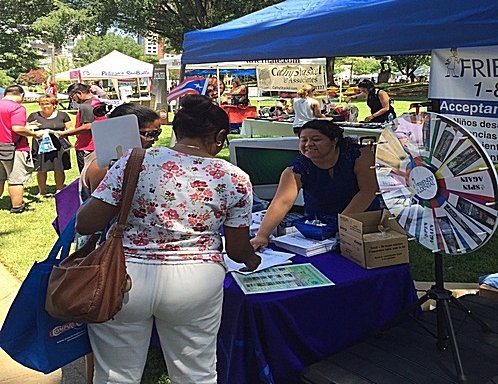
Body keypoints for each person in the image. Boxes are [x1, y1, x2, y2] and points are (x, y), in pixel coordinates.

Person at [75, 94, 261, 384]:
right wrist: (252, 258)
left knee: (116, 375)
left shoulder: (134, 161)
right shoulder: (234, 177)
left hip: (124, 278)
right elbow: (237, 250)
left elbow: (86, 223)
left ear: (177, 130)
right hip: (196, 282)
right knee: (196, 373)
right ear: (220, 136)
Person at [251, 119, 380, 251]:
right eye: (303, 140)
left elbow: (368, 190)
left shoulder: (360, 154)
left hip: (363, 220)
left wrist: (342, 224)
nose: (308, 144)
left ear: (334, 140)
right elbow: (281, 203)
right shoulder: (296, 169)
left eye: (316, 139)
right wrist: (262, 235)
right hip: (320, 228)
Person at [0, 85, 42, 213]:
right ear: (22, 95)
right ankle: (17, 207)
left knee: (0, 177)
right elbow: (17, 128)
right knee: (15, 179)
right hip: (14, 148)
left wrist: (26, 125)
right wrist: (34, 134)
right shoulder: (17, 108)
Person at [27, 95, 72, 196]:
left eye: (47, 103)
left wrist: (57, 132)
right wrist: (31, 128)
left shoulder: (63, 115)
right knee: (41, 168)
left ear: (54, 104)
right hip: (40, 145)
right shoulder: (34, 116)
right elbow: (26, 129)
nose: (44, 106)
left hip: (58, 145)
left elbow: (70, 129)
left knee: (59, 167)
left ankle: (60, 189)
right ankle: (41, 191)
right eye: (42, 104)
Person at [58, 83, 106, 172]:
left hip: (86, 147)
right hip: (101, 145)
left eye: (72, 96)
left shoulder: (86, 106)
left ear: (79, 93)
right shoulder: (97, 102)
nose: (72, 100)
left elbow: (88, 126)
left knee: (86, 176)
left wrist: (65, 133)